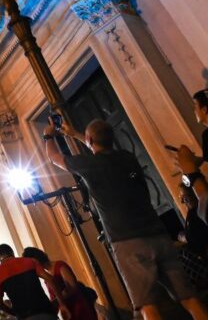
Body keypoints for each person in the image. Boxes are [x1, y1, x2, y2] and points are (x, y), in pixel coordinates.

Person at [45, 118, 208, 320]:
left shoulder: (89, 165)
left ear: (89, 139)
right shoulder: (128, 158)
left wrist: (48, 134)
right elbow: (99, 144)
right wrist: (76, 134)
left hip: (127, 243)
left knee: (147, 306)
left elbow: (53, 157)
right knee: (189, 298)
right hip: (158, 234)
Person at [0, 243, 68, 320]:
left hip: (25, 316)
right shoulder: (30, 261)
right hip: (45, 311)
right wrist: (62, 304)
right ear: (12, 253)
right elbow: (50, 279)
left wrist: (14, 313)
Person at [22, 247, 96, 320]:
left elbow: (73, 287)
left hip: (78, 307)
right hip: (67, 310)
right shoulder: (45, 275)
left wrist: (57, 300)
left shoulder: (60, 266)